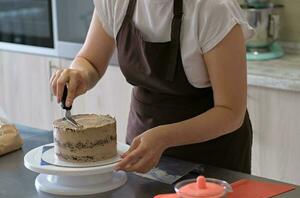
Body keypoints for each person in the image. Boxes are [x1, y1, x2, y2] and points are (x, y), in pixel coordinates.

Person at [50, 0, 254, 174]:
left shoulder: (213, 8)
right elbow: (90, 61)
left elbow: (231, 112)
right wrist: (80, 73)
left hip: (211, 158)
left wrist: (164, 137)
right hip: (141, 148)